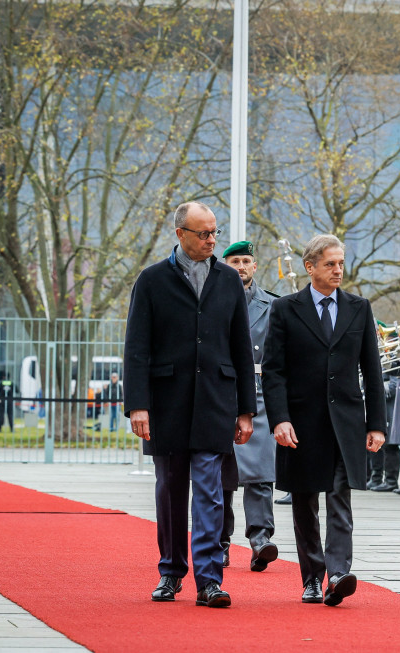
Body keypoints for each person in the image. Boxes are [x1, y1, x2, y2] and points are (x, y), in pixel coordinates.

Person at [124, 201, 256, 608]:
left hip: (216, 400)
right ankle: (170, 571)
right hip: (166, 404)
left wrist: (246, 409)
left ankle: (209, 579)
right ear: (180, 234)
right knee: (170, 491)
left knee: (211, 492)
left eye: (214, 232)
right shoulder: (151, 280)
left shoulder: (229, 281)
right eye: (204, 234)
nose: (212, 240)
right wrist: (138, 406)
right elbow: (137, 348)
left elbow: (240, 347)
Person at [260, 234, 387, 607]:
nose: (337, 270)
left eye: (341, 264)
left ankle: (339, 574)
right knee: (304, 502)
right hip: (301, 423)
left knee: (339, 497)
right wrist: (279, 419)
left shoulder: (359, 308)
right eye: (330, 264)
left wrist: (376, 424)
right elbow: (274, 371)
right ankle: (312, 578)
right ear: (310, 266)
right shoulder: (285, 309)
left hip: (345, 422)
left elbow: (372, 370)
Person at [219, 239, 280, 573]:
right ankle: (219, 542)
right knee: (220, 474)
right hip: (220, 393)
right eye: (234, 261)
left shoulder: (273, 305)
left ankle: (260, 540)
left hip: (258, 392)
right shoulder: (210, 301)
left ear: (255, 266)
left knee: (259, 473)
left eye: (245, 261)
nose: (240, 267)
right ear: (223, 266)